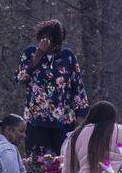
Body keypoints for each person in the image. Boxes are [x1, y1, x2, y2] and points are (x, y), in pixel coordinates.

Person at [14, 19, 90, 156]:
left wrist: (81, 117)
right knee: (37, 163)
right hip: (36, 120)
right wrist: (38, 55)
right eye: (43, 37)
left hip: (63, 122)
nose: (45, 42)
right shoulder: (30, 53)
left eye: (49, 38)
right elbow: (20, 78)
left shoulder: (68, 57)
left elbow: (78, 88)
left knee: (62, 163)